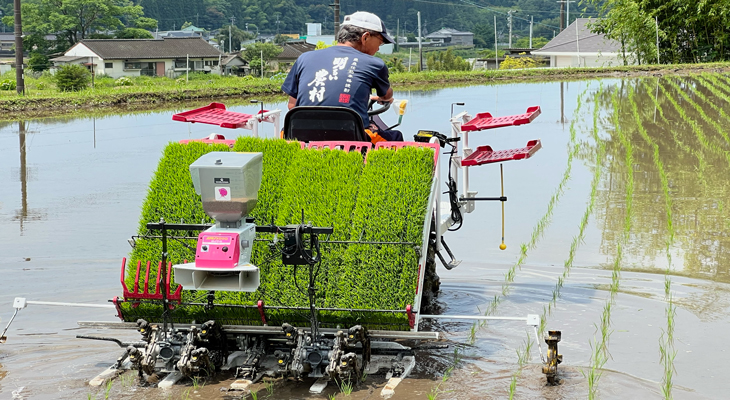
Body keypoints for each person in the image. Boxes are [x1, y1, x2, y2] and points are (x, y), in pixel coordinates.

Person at [281, 11, 403, 142]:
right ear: (365, 37)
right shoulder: (374, 64)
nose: (379, 48)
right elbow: (386, 96)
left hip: (302, 137)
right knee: (395, 137)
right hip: (352, 139)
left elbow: (292, 105)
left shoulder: (304, 58)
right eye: (380, 42)